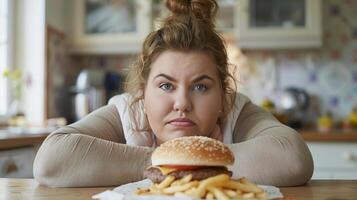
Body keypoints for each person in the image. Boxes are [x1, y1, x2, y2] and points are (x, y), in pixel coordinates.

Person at [33, 0, 313, 187]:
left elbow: (293, 158)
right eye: (166, 86)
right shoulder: (128, 111)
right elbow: (50, 160)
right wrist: (166, 162)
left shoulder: (235, 110)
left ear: (222, 96)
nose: (182, 103)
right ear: (142, 94)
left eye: (201, 87)